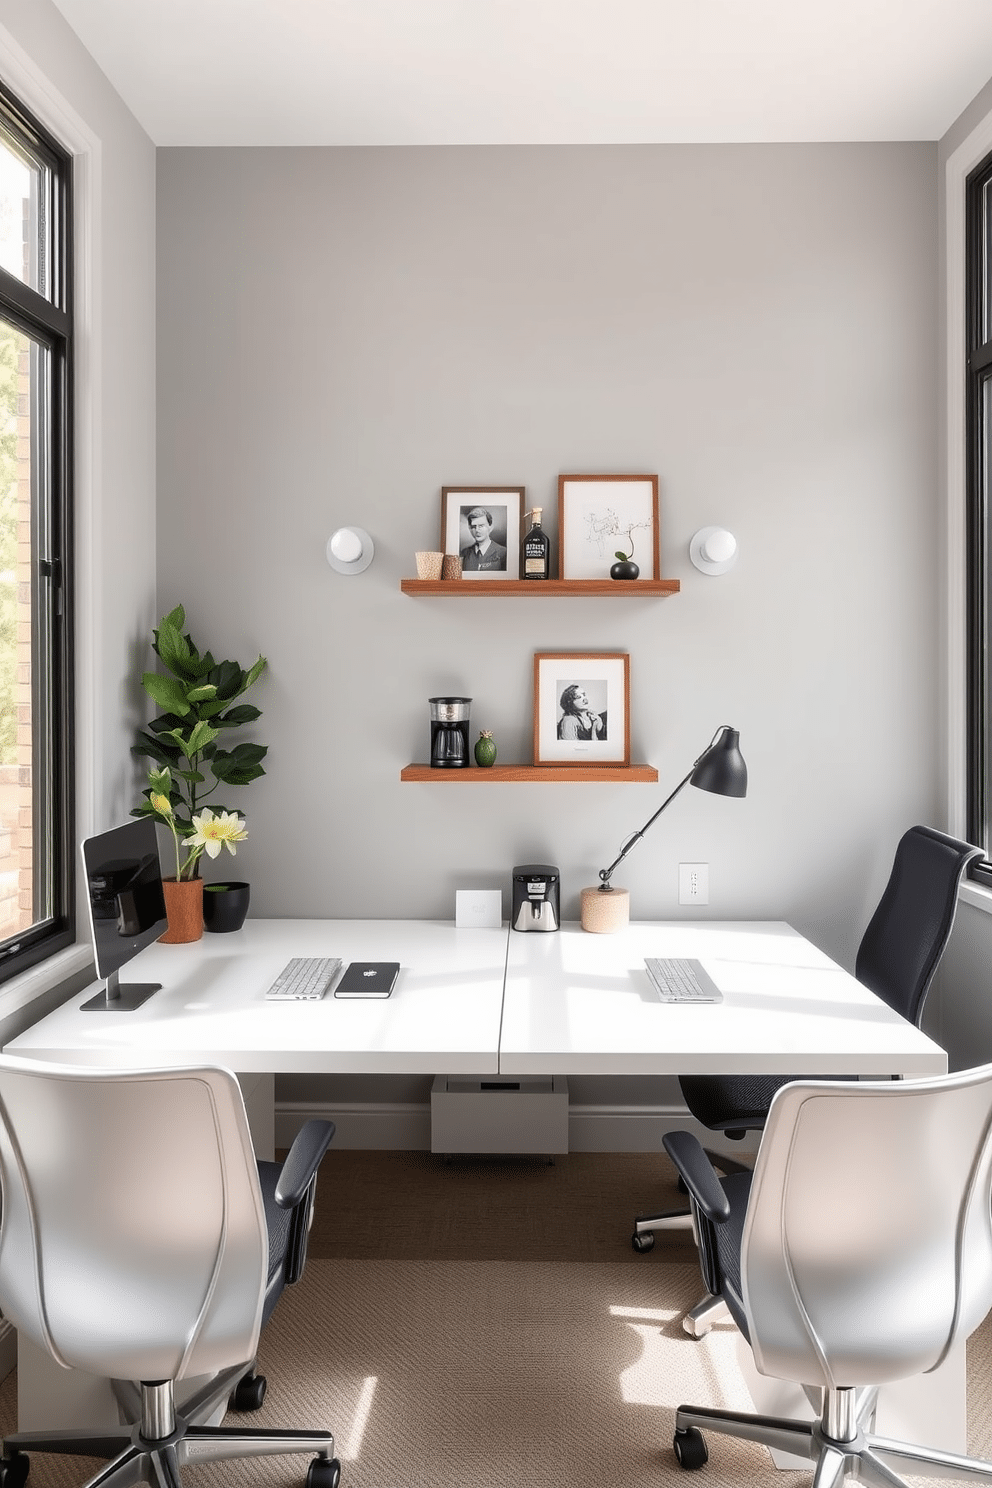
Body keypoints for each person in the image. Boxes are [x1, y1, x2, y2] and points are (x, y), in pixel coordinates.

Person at [460, 507, 507, 572]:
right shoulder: (464, 553)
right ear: (470, 529)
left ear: (490, 527)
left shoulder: (503, 553)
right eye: (473, 527)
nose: (477, 530)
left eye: (481, 526)